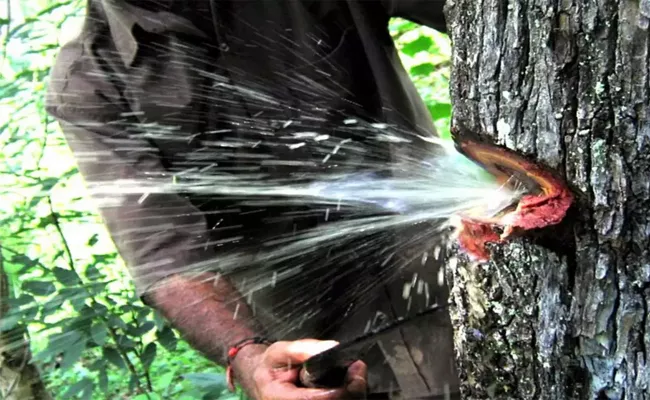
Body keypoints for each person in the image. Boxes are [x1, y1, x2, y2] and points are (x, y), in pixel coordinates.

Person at [46, 1, 459, 399]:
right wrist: (249, 358)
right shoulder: (90, 81)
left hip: (463, 285)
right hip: (323, 357)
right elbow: (166, 257)